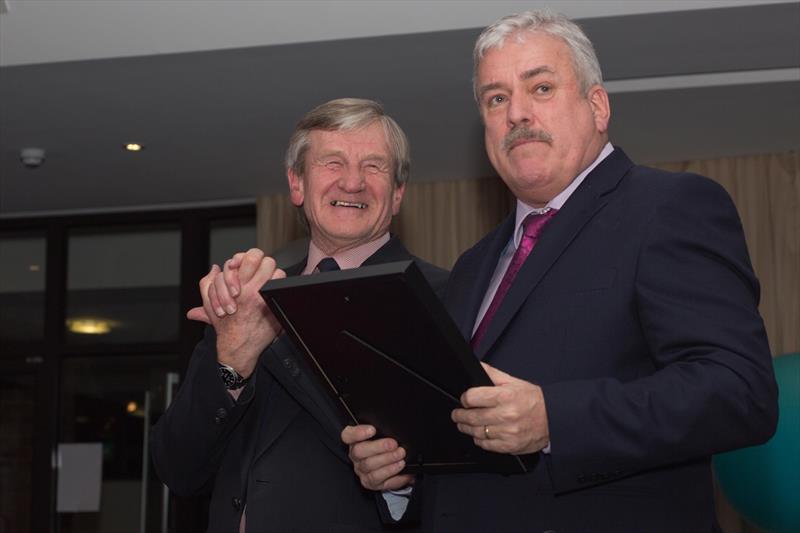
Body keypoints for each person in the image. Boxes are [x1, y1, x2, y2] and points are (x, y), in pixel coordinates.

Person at [342, 11, 779, 532]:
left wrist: (554, 419)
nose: (516, 114)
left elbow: (738, 391)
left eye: (541, 87)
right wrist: (404, 476)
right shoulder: (473, 266)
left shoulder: (668, 207)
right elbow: (467, 435)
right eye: (496, 99)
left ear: (597, 106)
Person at [151, 98, 447, 532]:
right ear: (296, 184)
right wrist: (231, 360)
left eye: (373, 167)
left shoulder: (443, 296)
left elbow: (467, 478)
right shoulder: (248, 299)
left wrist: (402, 483)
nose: (352, 182)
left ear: (398, 193)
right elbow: (178, 469)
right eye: (332, 163)